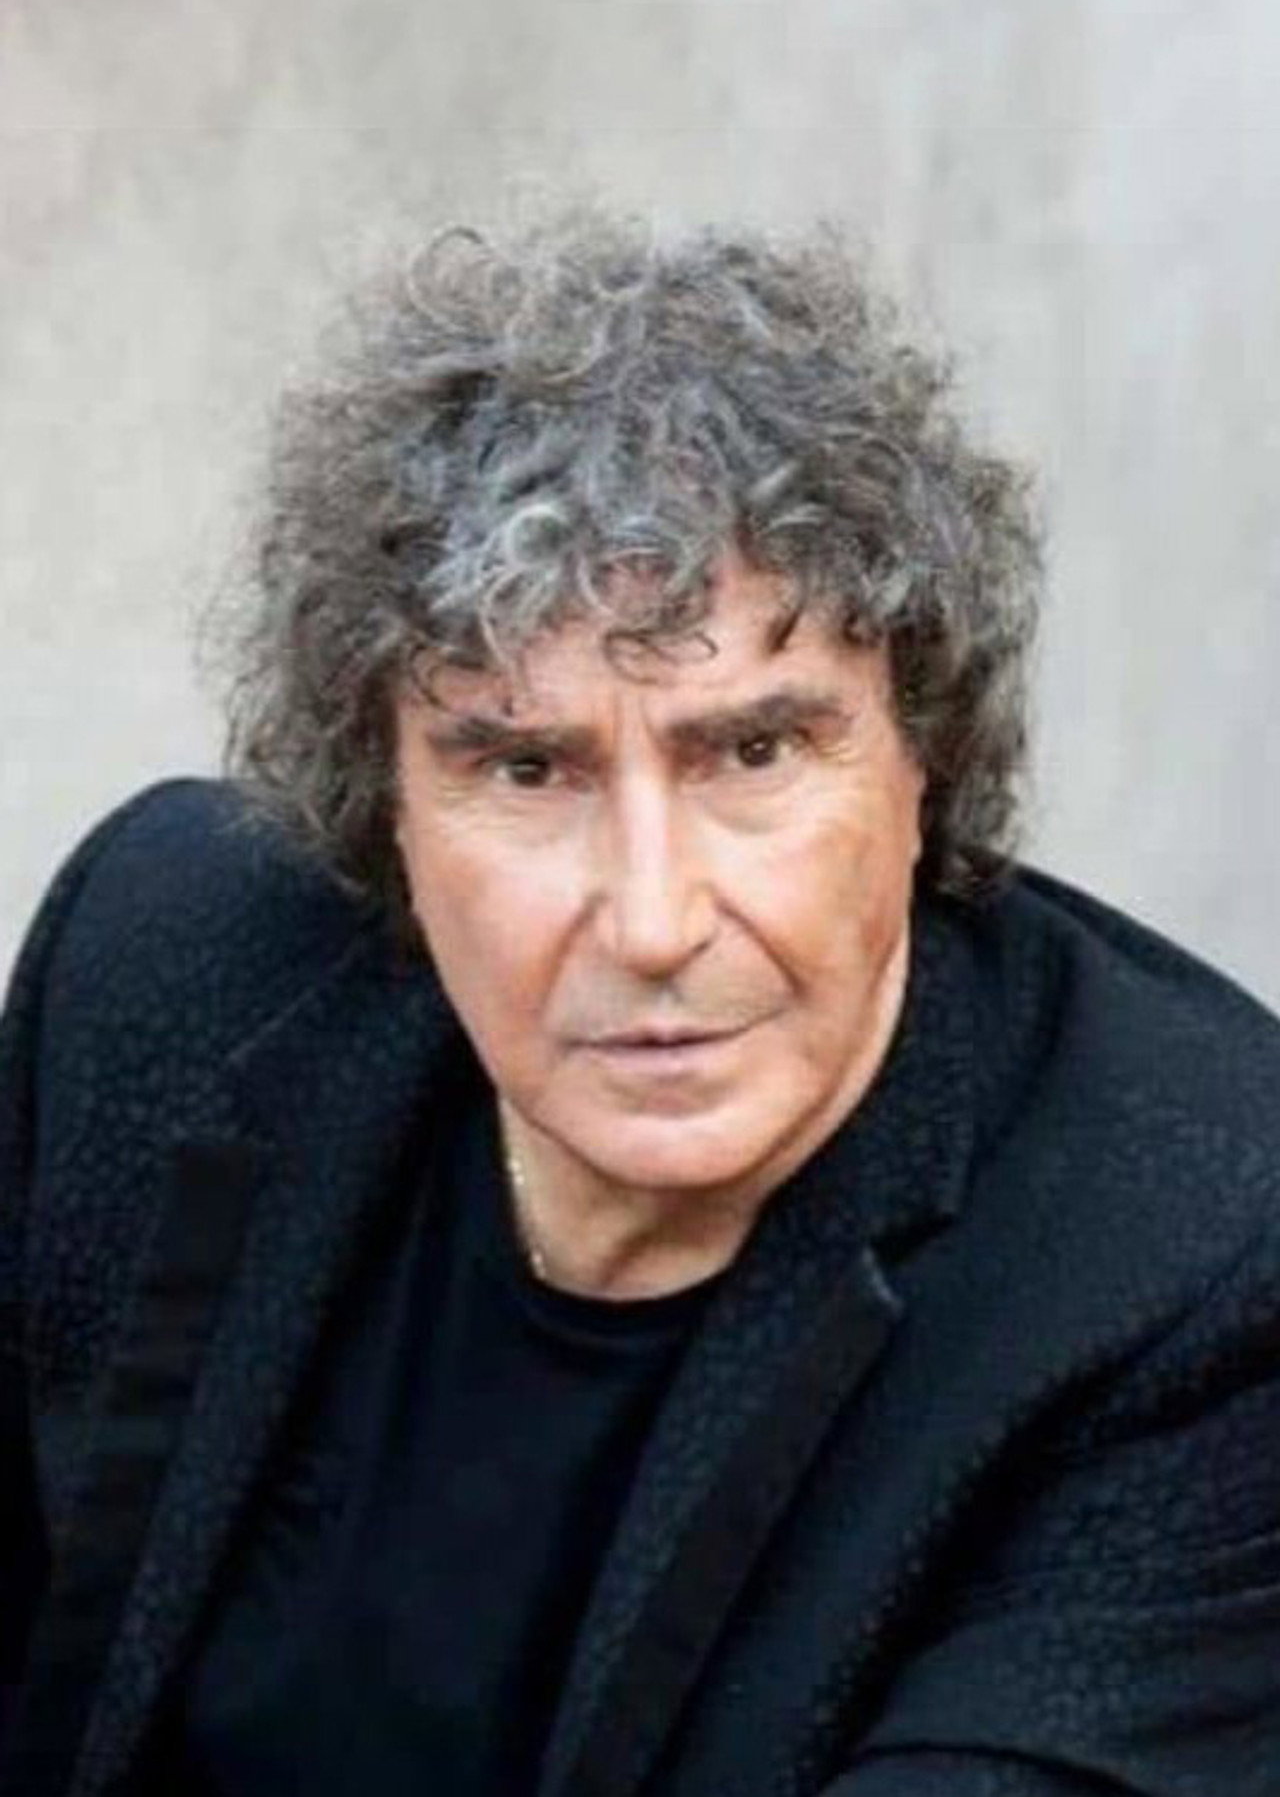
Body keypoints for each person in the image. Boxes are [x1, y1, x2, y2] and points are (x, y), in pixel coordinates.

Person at [2, 215, 1278, 1797]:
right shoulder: (172, 969)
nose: (656, 919)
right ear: (386, 810)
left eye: (752, 753)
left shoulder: (1203, 1270)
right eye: (527, 770)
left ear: (923, 760)